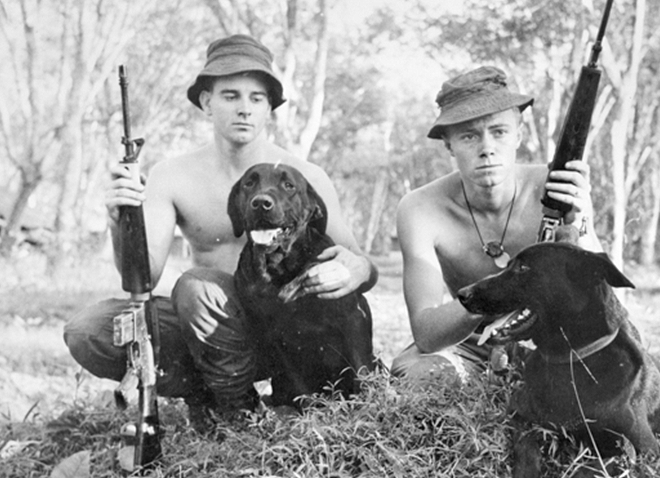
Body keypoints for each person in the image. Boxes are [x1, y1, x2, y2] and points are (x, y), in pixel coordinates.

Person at [64, 34, 377, 425]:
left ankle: (239, 414)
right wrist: (118, 222)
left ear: (270, 109)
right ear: (206, 103)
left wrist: (358, 268)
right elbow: (140, 280)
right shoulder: (172, 175)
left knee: (199, 288)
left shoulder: (305, 177)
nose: (244, 109)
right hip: (210, 327)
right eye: (230, 96)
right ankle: (214, 395)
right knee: (89, 330)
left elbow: (357, 265)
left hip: (282, 332)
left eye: (256, 98)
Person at [389, 66, 603, 385]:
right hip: (470, 348)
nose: (486, 148)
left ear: (518, 134)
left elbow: (605, 305)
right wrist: (494, 294)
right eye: (469, 136)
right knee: (419, 375)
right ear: (449, 145)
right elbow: (428, 334)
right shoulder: (420, 209)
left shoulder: (557, 189)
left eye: (499, 132)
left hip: (554, 347)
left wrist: (581, 225)